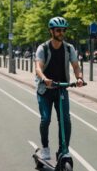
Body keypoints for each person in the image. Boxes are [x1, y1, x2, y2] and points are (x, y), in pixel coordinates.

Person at [34, 17, 84, 161]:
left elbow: (75, 66)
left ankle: (64, 149)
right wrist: (44, 79)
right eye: (58, 30)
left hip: (61, 89)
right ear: (51, 31)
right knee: (45, 119)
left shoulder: (69, 48)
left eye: (63, 30)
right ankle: (45, 147)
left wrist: (79, 78)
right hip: (45, 90)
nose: (61, 33)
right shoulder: (43, 48)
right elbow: (38, 67)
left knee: (65, 120)